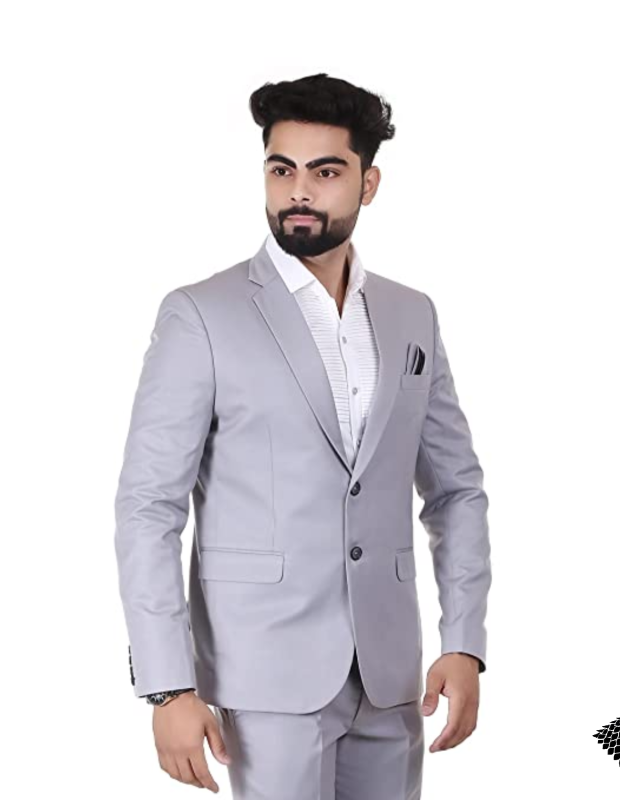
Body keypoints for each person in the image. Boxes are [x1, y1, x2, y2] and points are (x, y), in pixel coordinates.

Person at [114, 72, 492, 799]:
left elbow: (456, 490)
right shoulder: (201, 315)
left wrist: (465, 642)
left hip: (390, 680)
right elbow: (148, 507)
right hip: (263, 680)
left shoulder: (412, 314)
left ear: (368, 183)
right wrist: (168, 686)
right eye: (281, 170)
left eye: (325, 172)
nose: (298, 192)